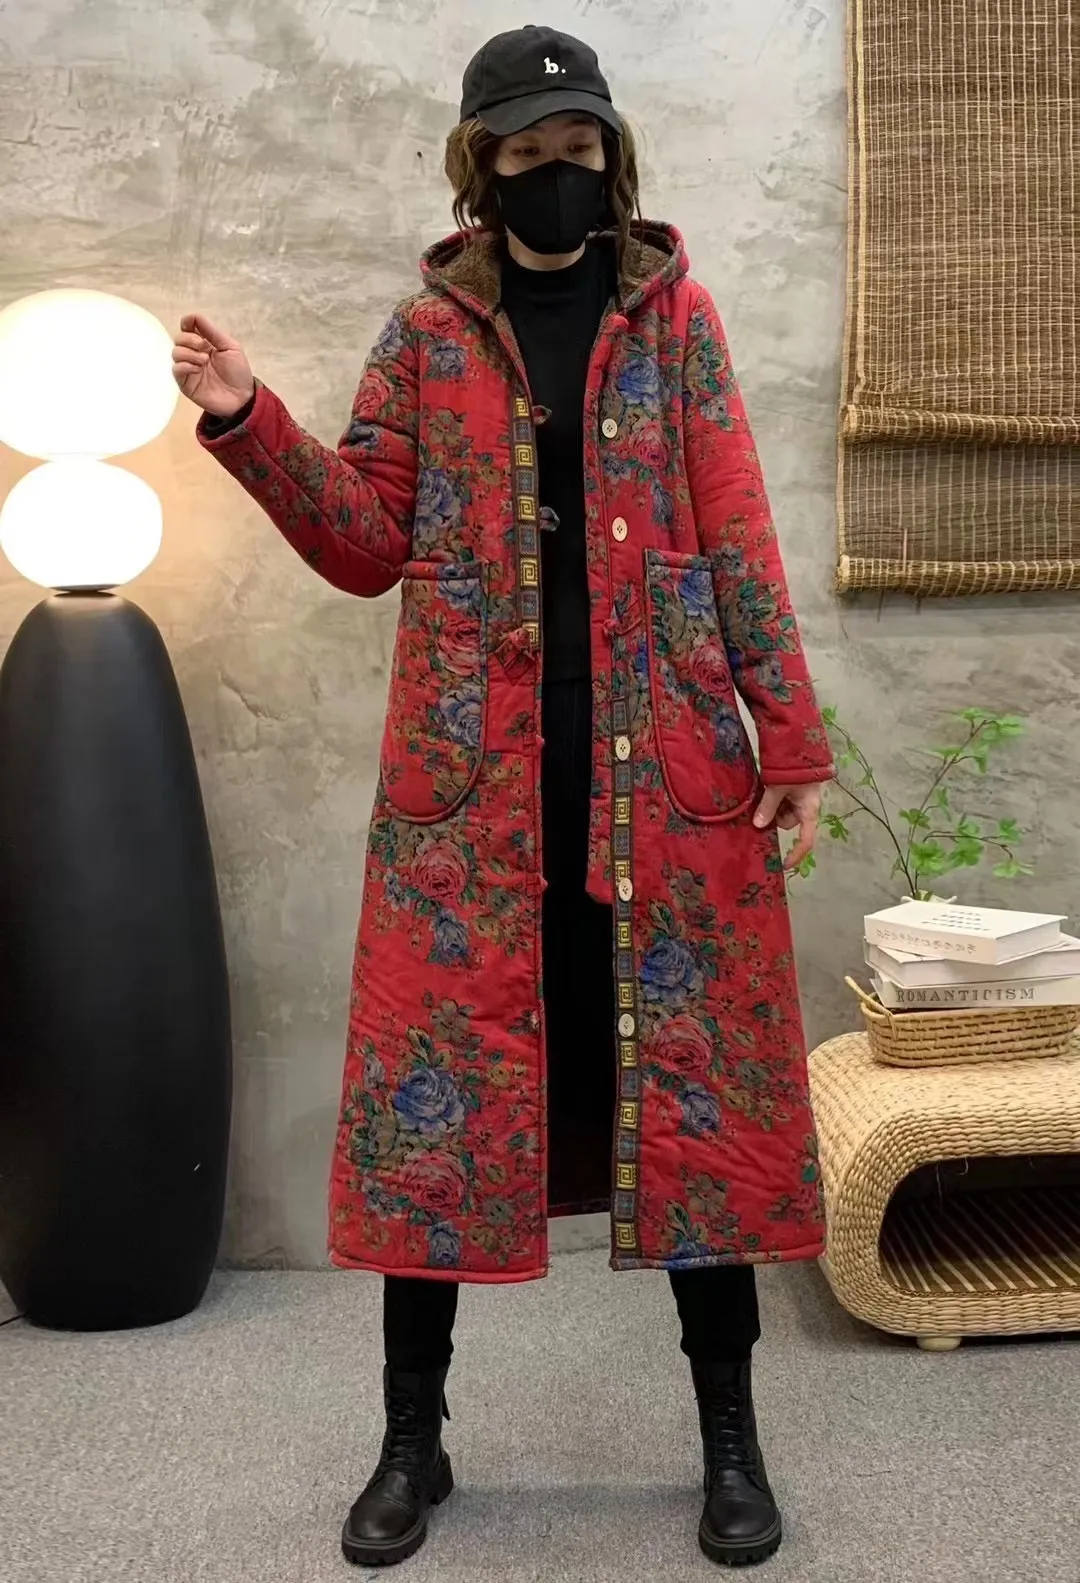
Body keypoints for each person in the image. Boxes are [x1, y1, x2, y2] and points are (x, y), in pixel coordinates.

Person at [172, 24, 832, 1570]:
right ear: (481, 167)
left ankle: (731, 1439)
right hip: (471, 810)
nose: (556, 174)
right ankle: (414, 1441)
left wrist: (789, 745)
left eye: (576, 147)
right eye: (527, 152)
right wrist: (249, 417)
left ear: (611, 153)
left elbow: (737, 531)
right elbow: (365, 541)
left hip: (663, 788)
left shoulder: (676, 322)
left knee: (698, 1117)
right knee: (439, 1122)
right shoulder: (423, 336)